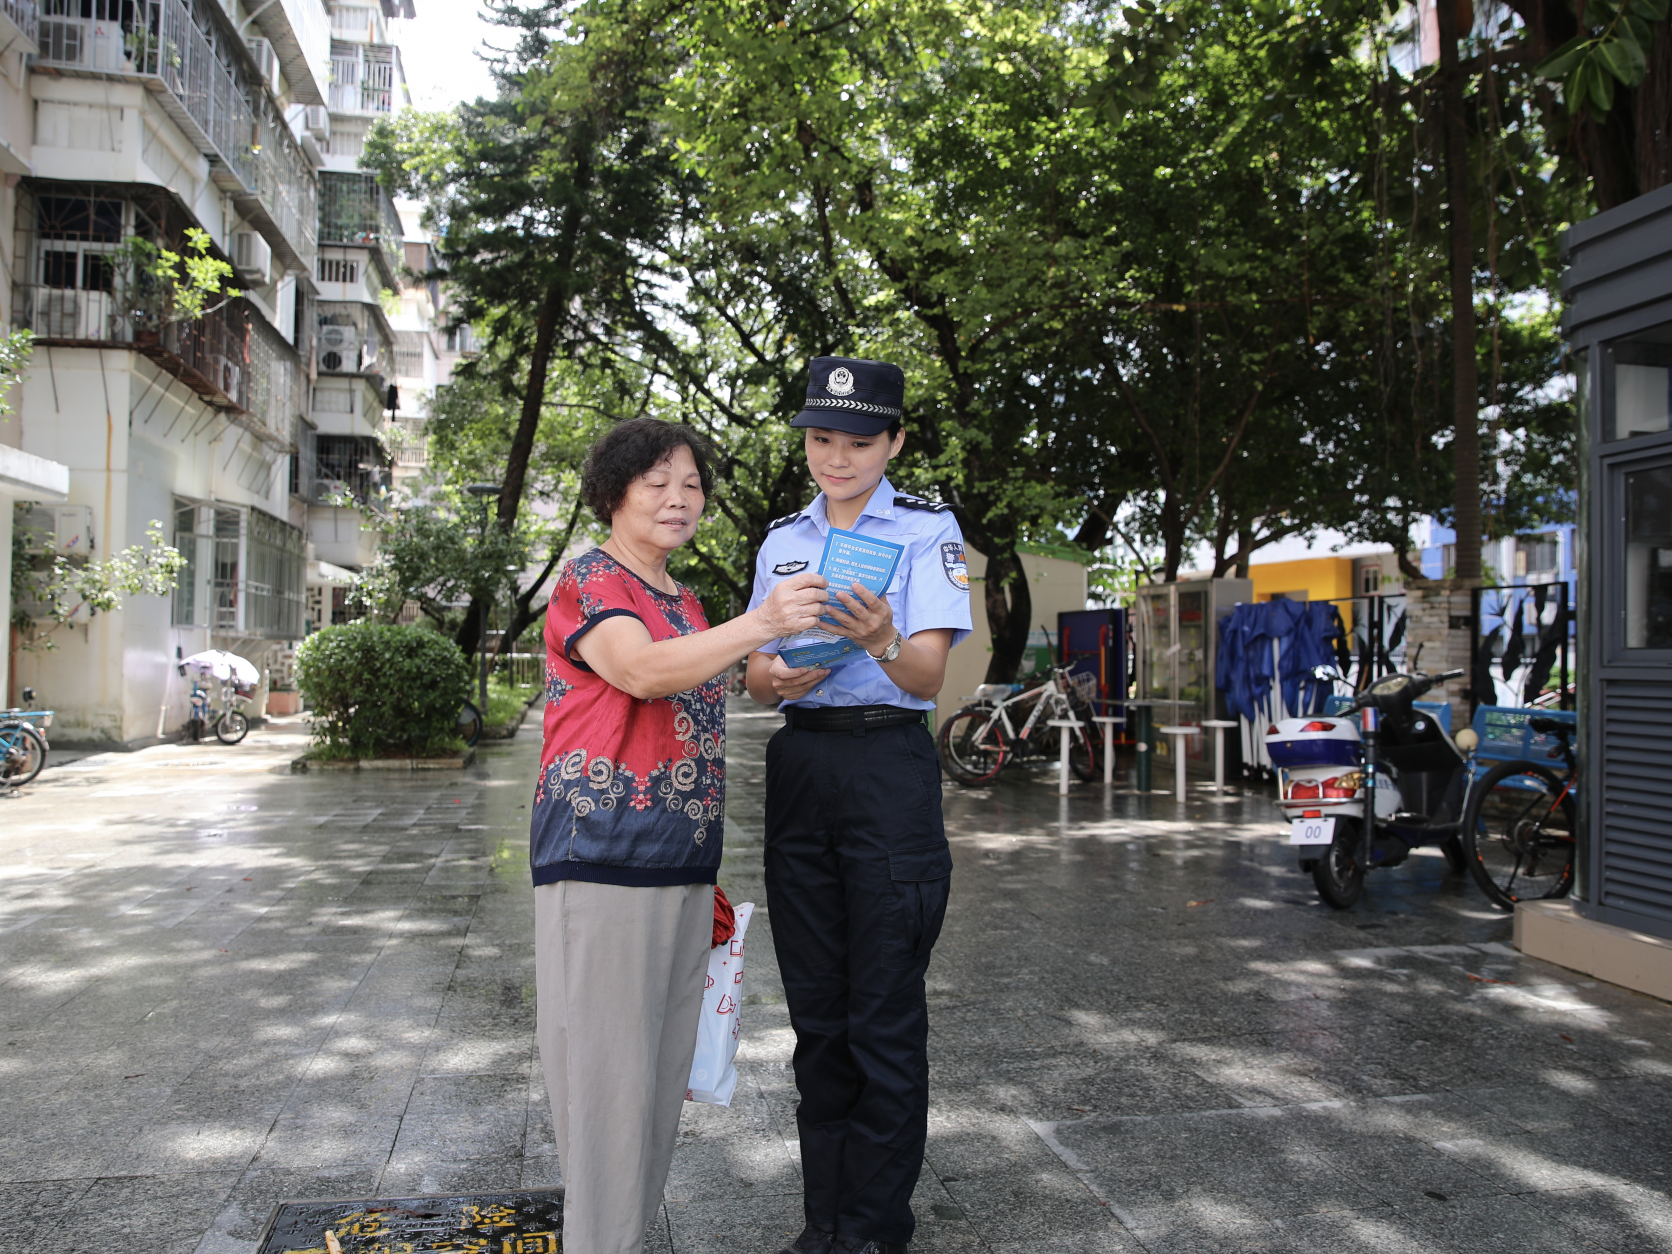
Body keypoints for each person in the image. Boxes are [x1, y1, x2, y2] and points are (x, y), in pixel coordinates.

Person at [530, 417, 827, 1254]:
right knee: (607, 1095)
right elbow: (640, 670)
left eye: (691, 484)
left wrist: (778, 668)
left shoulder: (683, 600)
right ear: (614, 491)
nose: (678, 498)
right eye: (657, 481)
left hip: (682, 867)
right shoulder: (591, 580)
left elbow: (694, 682)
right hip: (600, 861)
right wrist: (761, 624)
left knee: (660, 1092)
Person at [745, 357, 973, 1254]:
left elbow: (926, 674)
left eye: (859, 441)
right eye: (822, 439)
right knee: (818, 1019)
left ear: (895, 443)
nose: (837, 458)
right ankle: (823, 1226)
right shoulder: (780, 540)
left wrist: (877, 634)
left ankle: (875, 1232)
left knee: (881, 1015)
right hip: (803, 764)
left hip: (887, 767)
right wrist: (775, 672)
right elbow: (757, 674)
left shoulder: (925, 532)